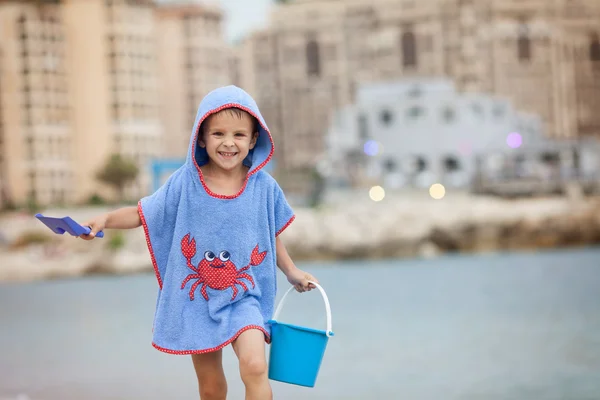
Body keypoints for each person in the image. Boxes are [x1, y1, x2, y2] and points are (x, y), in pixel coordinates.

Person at [80, 85, 318, 400]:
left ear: (254, 139)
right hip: (197, 302)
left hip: (244, 295)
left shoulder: (264, 186)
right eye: (218, 133)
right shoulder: (185, 181)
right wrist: (105, 220)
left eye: (239, 135)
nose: (229, 143)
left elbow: (269, 234)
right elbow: (143, 212)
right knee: (211, 387)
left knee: (255, 366)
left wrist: (291, 271)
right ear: (201, 138)